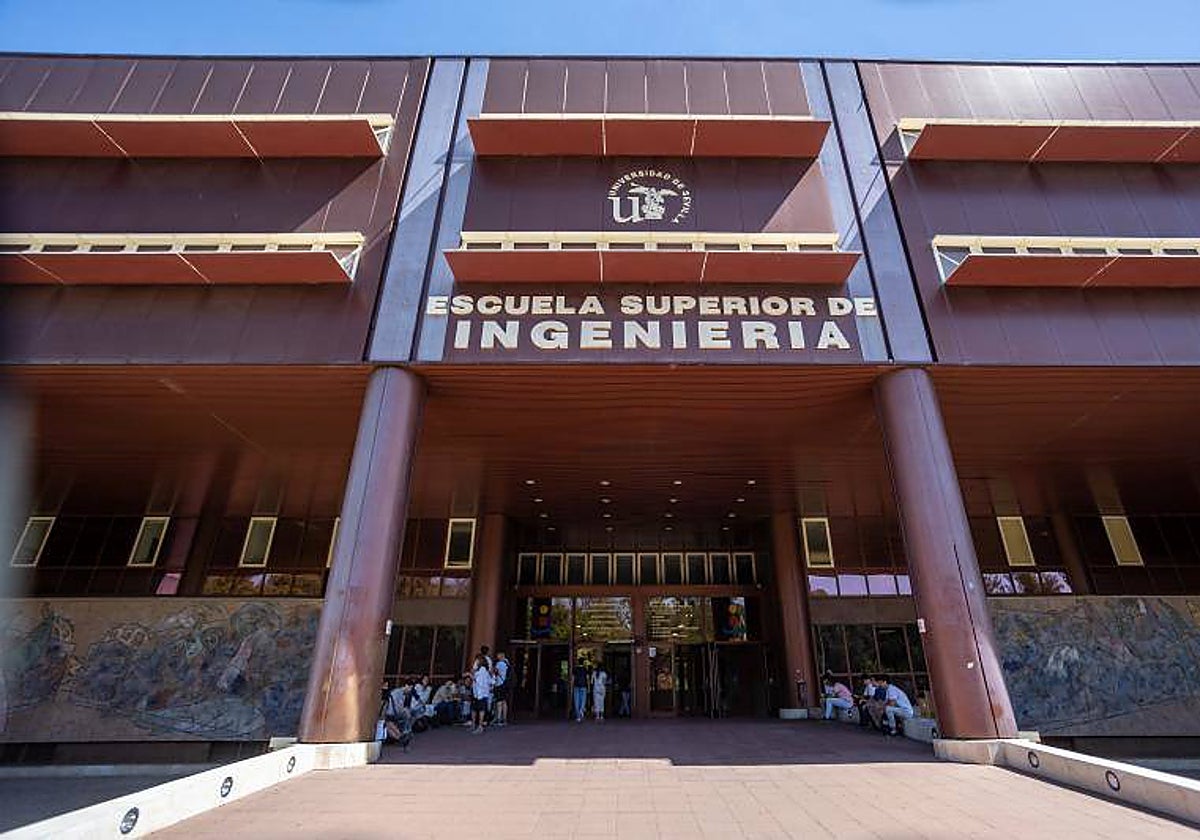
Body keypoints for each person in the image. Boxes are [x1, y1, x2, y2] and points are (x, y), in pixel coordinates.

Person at [470, 654, 493, 734]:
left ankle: (480, 726)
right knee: (474, 708)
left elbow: (478, 680)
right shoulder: (482, 670)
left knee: (480, 709)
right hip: (477, 692)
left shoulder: (482, 670)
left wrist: (471, 675)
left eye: (476, 660)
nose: (475, 662)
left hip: (481, 693)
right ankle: (473, 724)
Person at [492, 651, 510, 727]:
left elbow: (495, 671)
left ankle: (498, 718)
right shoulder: (507, 663)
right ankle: (504, 718)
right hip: (505, 684)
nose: (497, 657)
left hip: (500, 683)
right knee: (504, 701)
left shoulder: (499, 664)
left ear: (501, 656)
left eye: (498, 656)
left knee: (499, 701)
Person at [572, 658, 590, 723]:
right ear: (583, 662)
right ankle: (581, 710)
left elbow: (573, 679)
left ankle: (578, 717)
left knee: (576, 701)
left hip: (576, 686)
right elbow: (587, 679)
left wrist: (571, 687)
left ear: (578, 662)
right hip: (584, 686)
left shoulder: (575, 669)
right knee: (583, 700)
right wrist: (588, 687)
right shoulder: (585, 669)